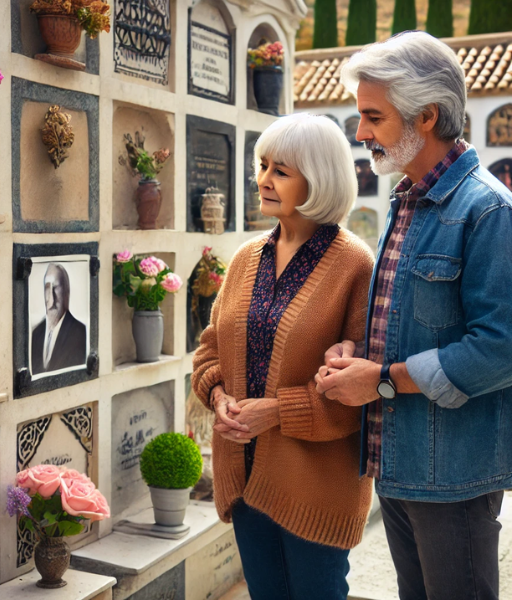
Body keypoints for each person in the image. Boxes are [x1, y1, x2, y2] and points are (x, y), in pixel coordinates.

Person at [315, 31, 512, 600]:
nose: (360, 133)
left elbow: (500, 347)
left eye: (373, 116)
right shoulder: (408, 201)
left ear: (426, 115)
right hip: (399, 466)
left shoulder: (488, 211)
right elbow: (411, 323)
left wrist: (380, 380)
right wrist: (361, 355)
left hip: (452, 476)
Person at [192, 113, 375, 600]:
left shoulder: (355, 265)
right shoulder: (245, 258)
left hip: (316, 486)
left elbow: (360, 389)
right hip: (244, 475)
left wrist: (274, 412)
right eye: (263, 165)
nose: (263, 179)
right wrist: (218, 397)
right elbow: (209, 346)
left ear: (317, 179)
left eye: (281, 171)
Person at [31, 263, 86, 374]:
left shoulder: (79, 332)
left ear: (66, 293)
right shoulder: (36, 333)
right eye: (47, 288)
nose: (51, 297)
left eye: (56, 288)